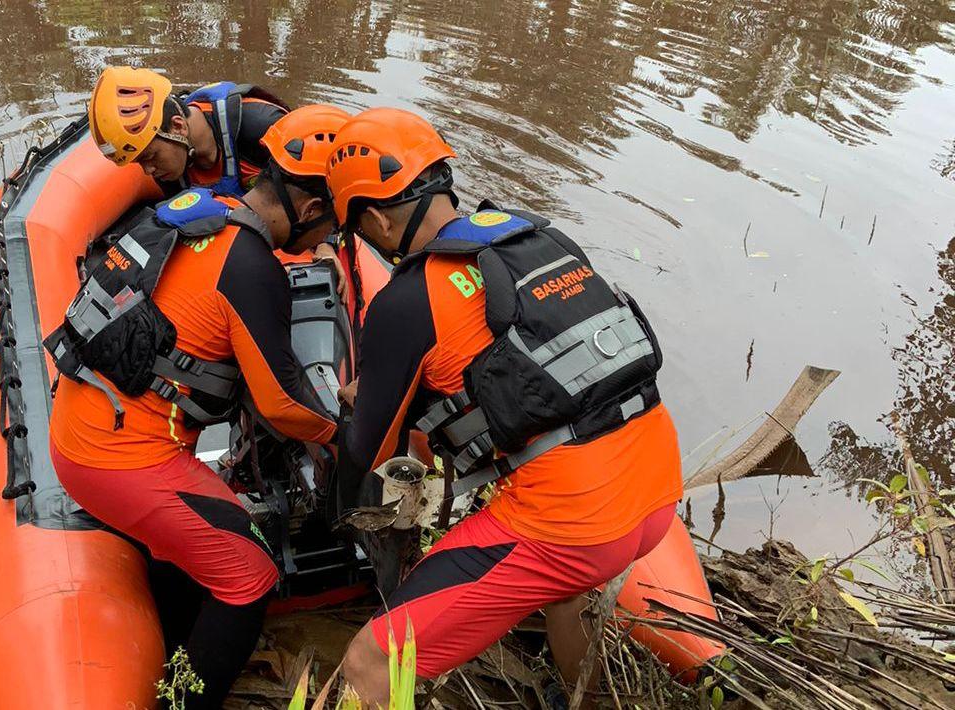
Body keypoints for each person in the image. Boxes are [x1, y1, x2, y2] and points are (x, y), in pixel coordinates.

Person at [324, 108, 684, 707]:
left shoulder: (410, 300)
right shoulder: (540, 239)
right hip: (657, 494)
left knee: (373, 659)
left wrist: (368, 398)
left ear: (379, 221)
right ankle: (580, 698)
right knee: (570, 592)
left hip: (571, 526)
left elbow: (367, 451)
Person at [46, 104, 351, 709]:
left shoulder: (202, 222)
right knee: (251, 575)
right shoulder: (251, 267)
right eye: (329, 230)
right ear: (311, 209)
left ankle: (175, 633)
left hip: (83, 425)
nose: (325, 244)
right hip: (122, 457)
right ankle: (183, 702)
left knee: (200, 545)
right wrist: (346, 433)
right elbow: (284, 405)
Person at [88, 66, 357, 299]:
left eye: (151, 157)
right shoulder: (172, 165)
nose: (148, 171)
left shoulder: (258, 126)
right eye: (140, 163)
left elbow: (325, 184)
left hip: (291, 229)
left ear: (179, 127)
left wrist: (326, 245)